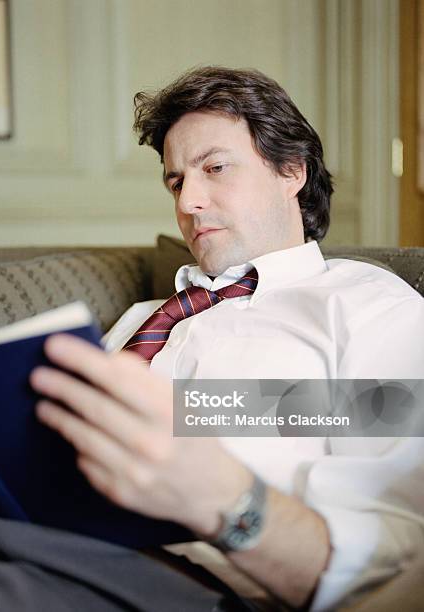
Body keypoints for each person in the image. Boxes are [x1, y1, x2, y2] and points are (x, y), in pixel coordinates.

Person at [27, 67, 424, 610]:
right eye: (175, 181)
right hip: (23, 539)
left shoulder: (367, 308)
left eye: (215, 167)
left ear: (291, 172)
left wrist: (225, 496)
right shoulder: (142, 319)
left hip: (182, 581)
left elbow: (394, 556)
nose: (188, 201)